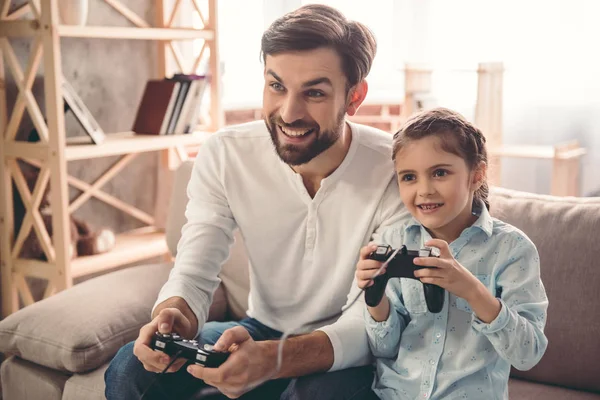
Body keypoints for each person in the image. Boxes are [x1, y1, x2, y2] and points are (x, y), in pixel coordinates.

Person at [104, 4, 409, 400]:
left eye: (314, 92)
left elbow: (384, 318)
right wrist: (175, 313)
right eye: (276, 86)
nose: (289, 113)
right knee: (130, 368)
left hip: (350, 349)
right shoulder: (226, 154)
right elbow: (196, 266)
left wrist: (276, 359)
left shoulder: (398, 169)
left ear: (354, 97)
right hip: (261, 330)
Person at [355, 108, 549, 399]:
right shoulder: (394, 239)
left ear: (476, 175)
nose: (424, 190)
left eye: (440, 173)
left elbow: (528, 353)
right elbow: (384, 348)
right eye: (409, 177)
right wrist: (375, 297)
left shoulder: (512, 249)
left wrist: (472, 290)